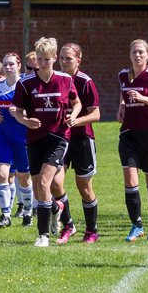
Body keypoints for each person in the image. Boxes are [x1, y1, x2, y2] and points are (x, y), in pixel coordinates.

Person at [12, 37, 80, 248]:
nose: (42, 63)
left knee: (44, 182)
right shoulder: (26, 83)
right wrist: (25, 120)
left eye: (47, 59)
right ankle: (55, 210)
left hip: (58, 137)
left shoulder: (65, 80)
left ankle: (42, 236)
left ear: (54, 59)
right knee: (37, 189)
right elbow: (16, 111)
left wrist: (74, 116)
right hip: (34, 138)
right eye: (39, 59)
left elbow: (76, 103)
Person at [117, 38, 148, 242]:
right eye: (134, 52)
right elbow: (124, 93)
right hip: (129, 134)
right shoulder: (123, 75)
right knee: (129, 178)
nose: (137, 55)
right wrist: (121, 104)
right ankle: (136, 224)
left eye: (141, 52)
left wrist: (143, 99)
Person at [59, 42, 102, 243]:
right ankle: (68, 225)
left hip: (82, 138)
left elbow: (96, 114)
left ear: (78, 60)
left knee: (83, 186)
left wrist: (76, 121)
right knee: (54, 183)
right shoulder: (55, 80)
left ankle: (92, 230)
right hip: (59, 139)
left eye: (68, 58)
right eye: (61, 58)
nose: (64, 62)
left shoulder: (85, 82)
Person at [0, 52, 32, 227]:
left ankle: (28, 211)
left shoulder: (27, 86)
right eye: (5, 64)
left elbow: (35, 111)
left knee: (23, 177)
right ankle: (5, 214)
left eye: (11, 64)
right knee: (1, 173)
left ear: (19, 66)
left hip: (23, 137)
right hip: (3, 136)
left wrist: (22, 113)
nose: (8, 67)